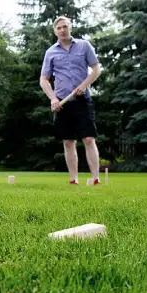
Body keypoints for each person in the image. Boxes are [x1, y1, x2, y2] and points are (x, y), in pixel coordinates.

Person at [40, 16, 102, 185]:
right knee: (68, 141)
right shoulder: (51, 52)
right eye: (59, 28)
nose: (62, 30)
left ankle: (95, 178)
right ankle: (73, 179)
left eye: (65, 26)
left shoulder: (84, 46)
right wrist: (53, 99)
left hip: (83, 100)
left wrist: (84, 85)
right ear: (55, 31)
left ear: (71, 28)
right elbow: (44, 80)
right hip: (62, 102)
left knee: (88, 139)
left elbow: (96, 70)